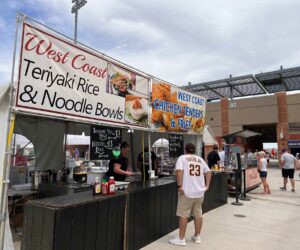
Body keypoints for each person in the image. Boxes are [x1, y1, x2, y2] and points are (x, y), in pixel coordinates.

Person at [169, 143, 211, 246]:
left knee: (183, 215)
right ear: (194, 150)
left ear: (185, 149)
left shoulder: (182, 158)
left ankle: (181, 238)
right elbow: (209, 172)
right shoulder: (200, 159)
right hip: (199, 192)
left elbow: (179, 171)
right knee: (198, 214)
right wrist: (207, 185)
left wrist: (179, 186)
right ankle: (197, 236)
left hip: (187, 192)